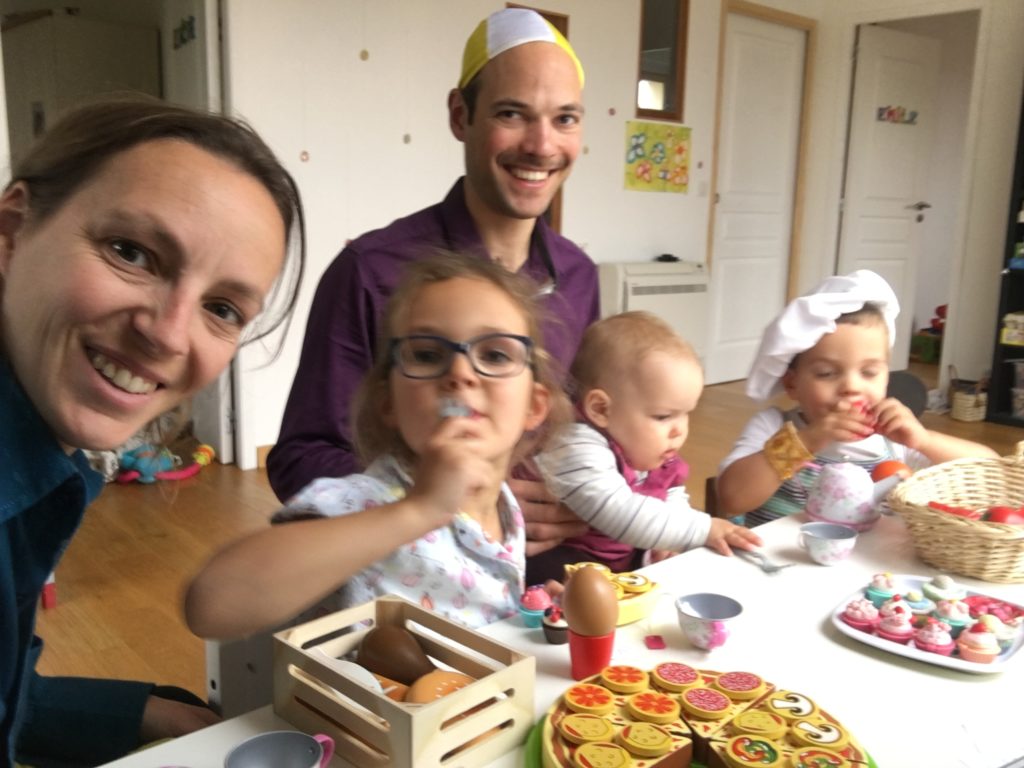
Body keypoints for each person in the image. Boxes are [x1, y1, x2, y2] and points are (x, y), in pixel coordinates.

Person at [0, 98, 305, 767]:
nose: (168, 335)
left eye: (221, 308)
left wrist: (142, 712)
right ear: (13, 231)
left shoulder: (42, 470)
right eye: (131, 253)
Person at [266, 7, 597, 565]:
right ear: (460, 116)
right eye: (512, 113)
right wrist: (450, 498)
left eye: (565, 119)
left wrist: (612, 506)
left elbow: (588, 430)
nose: (542, 145)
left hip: (545, 572)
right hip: (418, 578)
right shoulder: (370, 271)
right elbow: (302, 458)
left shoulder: (578, 275)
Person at [186, 253, 570, 638]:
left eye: (496, 354)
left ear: (534, 406)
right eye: (427, 355)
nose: (460, 372)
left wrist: (533, 616)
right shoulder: (363, 503)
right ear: (389, 403)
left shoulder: (505, 507)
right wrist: (419, 510)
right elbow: (214, 604)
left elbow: (477, 610)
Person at [716, 270, 997, 527]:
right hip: (775, 561)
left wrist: (924, 440)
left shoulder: (892, 441)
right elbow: (732, 498)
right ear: (792, 383)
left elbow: (991, 473)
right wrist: (806, 441)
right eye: (826, 373)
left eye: (869, 372)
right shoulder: (774, 427)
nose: (851, 387)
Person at [531, 312, 762, 583]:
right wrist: (702, 529)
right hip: (564, 560)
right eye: (663, 416)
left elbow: (670, 493)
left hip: (616, 555)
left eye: (686, 414)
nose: (679, 430)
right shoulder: (575, 445)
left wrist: (666, 539)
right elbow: (619, 512)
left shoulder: (648, 449)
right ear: (601, 409)